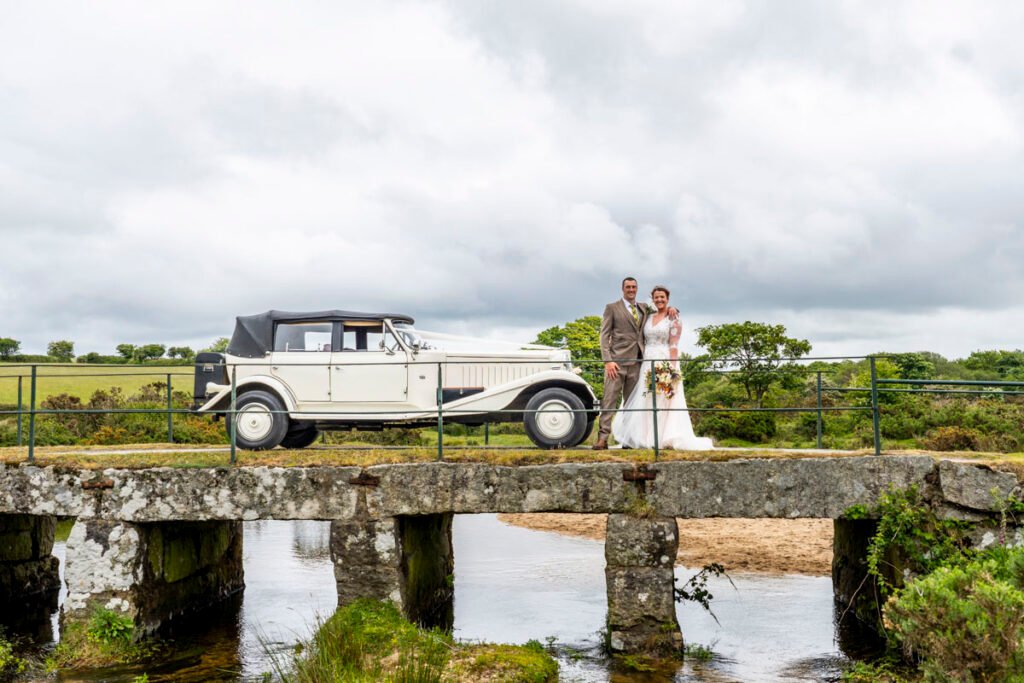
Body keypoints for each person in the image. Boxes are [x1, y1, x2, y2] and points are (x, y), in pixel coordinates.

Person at [611, 285, 713, 450]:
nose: (659, 300)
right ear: (652, 299)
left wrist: (672, 370)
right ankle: (643, 437)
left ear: (668, 299)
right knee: (645, 398)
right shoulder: (648, 316)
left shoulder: (674, 318)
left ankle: (663, 437)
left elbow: (674, 345)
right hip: (646, 362)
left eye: (662, 298)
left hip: (664, 360)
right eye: (656, 297)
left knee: (664, 399)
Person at [594, 277, 651, 450]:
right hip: (616, 363)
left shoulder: (643, 308)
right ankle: (602, 439)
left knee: (631, 404)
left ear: (637, 288)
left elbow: (660, 313)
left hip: (637, 363)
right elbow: (604, 336)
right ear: (622, 288)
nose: (631, 289)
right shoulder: (612, 308)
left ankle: (629, 439)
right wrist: (608, 361)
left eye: (634, 287)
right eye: (628, 287)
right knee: (609, 401)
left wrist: (672, 309)